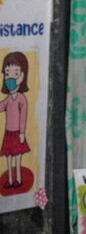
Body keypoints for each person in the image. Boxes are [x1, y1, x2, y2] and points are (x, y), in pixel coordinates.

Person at [0, 52, 30, 189]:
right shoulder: (8, 99)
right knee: (8, 158)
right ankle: (10, 181)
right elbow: (1, 107)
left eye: (15, 73)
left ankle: (18, 179)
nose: (10, 78)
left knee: (17, 158)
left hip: (17, 133)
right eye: (7, 74)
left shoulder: (21, 99)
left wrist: (22, 133)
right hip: (8, 133)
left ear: (22, 76)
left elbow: (23, 116)